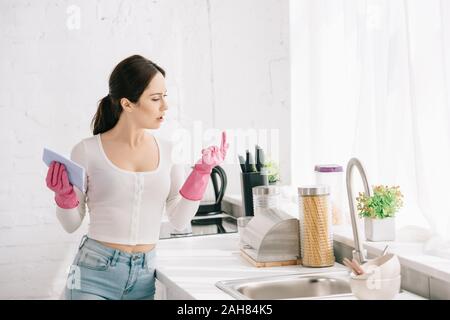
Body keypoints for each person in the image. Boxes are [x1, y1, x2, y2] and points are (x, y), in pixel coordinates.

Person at [45, 55, 228, 300]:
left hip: (143, 278)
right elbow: (70, 224)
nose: (165, 106)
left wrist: (202, 173)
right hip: (92, 274)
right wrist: (64, 196)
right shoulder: (87, 150)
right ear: (127, 104)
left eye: (165, 95)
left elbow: (178, 219)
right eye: (155, 98)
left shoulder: (168, 150)